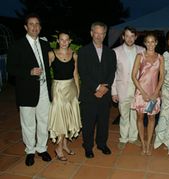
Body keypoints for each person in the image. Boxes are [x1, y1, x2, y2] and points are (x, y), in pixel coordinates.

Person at [7, 13, 52, 166]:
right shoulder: (17, 45)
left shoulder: (46, 45)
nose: (34, 27)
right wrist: (29, 72)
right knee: (28, 122)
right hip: (26, 90)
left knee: (44, 121)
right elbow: (11, 69)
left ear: (40, 27)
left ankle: (42, 148)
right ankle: (30, 150)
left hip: (44, 89)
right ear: (26, 27)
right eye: (31, 24)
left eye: (37, 24)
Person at [78, 22, 116, 158]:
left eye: (102, 33)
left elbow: (112, 72)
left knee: (103, 122)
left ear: (105, 35)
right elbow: (83, 73)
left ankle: (101, 144)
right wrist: (97, 87)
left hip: (104, 94)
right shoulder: (83, 51)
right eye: (96, 32)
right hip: (89, 93)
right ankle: (88, 147)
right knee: (88, 122)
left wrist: (104, 88)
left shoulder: (111, 52)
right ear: (91, 33)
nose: (99, 36)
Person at [47, 30, 82, 161]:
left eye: (66, 40)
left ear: (70, 41)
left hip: (71, 88)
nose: (64, 42)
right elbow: (44, 71)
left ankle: (65, 145)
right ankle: (58, 148)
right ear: (58, 40)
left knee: (68, 117)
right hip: (58, 89)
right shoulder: (51, 54)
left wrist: (78, 91)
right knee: (60, 118)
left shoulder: (74, 55)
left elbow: (75, 74)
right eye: (61, 39)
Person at [111, 26, 145, 150]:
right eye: (127, 36)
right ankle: (123, 138)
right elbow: (113, 73)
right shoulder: (115, 51)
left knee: (135, 115)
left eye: (132, 36)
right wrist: (114, 91)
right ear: (123, 37)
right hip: (122, 89)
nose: (130, 38)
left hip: (137, 89)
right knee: (124, 115)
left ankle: (133, 137)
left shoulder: (142, 50)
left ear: (136, 37)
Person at [131, 32, 164, 155]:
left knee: (151, 118)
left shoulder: (160, 57)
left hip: (153, 94)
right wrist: (142, 92)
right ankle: (143, 143)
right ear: (144, 43)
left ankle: (149, 143)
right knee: (140, 117)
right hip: (141, 92)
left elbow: (162, 77)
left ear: (156, 43)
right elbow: (133, 76)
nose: (150, 44)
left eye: (152, 41)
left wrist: (156, 92)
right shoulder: (140, 56)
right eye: (148, 42)